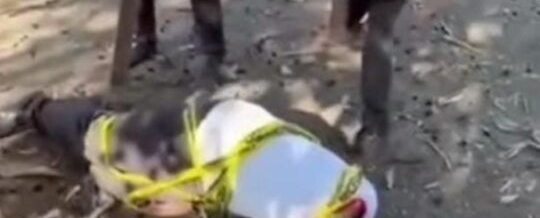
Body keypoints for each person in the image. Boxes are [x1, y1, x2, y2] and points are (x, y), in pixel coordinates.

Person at [0, 92, 378, 218]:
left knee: (119, 165)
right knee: (98, 139)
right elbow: (232, 193)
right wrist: (189, 203)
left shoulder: (365, 196)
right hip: (199, 138)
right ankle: (35, 110)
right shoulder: (282, 210)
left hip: (237, 127)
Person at [326, 0, 456, 154]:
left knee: (378, 45)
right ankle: (354, 30)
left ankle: (375, 124)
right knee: (346, 30)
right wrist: (337, 27)